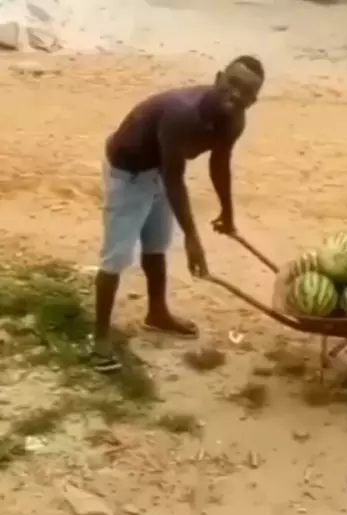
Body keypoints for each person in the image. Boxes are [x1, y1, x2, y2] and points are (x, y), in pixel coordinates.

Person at [91, 55, 265, 372]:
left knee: (157, 243)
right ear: (218, 78)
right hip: (128, 172)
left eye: (247, 92)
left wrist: (227, 213)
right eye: (233, 83)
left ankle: (157, 313)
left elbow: (219, 163)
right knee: (116, 257)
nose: (237, 94)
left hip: (158, 169)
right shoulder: (182, 113)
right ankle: (100, 337)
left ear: (254, 101)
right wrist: (192, 238)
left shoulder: (235, 120)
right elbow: (174, 178)